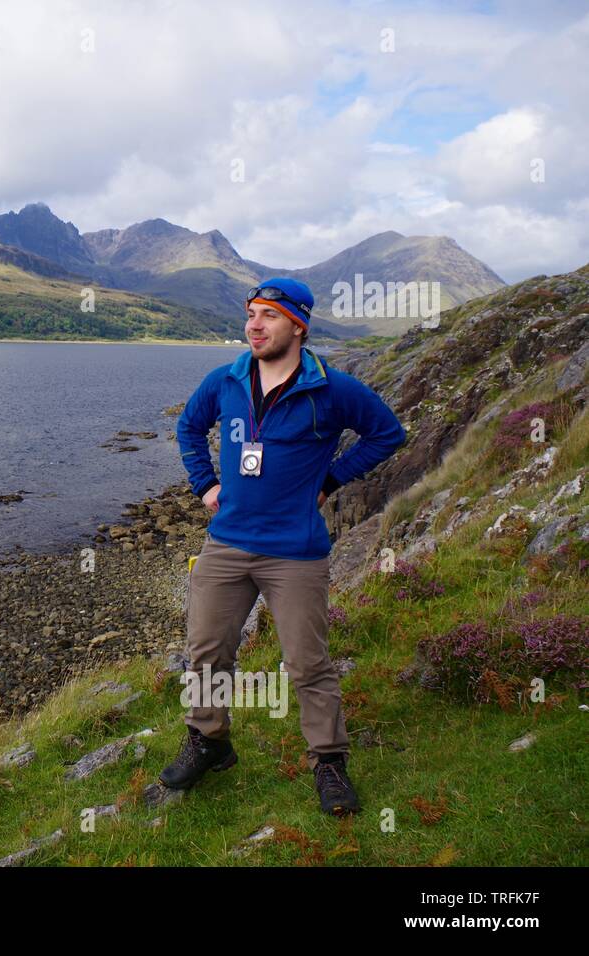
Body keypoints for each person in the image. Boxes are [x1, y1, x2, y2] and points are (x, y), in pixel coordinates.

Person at [163, 276, 407, 815]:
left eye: (268, 316)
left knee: (308, 662)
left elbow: (387, 433)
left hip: (295, 551)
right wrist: (205, 485)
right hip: (225, 543)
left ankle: (329, 762)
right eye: (251, 313)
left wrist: (332, 480)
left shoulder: (332, 388)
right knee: (205, 654)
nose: (254, 324)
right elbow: (188, 426)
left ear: (298, 324)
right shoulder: (225, 380)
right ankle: (209, 740)